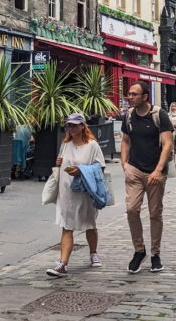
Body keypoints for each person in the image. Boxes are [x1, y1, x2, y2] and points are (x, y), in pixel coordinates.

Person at [120, 80, 173, 274]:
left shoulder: (159, 115)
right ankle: (139, 250)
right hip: (134, 169)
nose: (130, 97)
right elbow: (125, 141)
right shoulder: (129, 116)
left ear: (145, 96)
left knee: (154, 213)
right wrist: (124, 164)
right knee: (132, 209)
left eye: (134, 94)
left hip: (155, 171)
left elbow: (167, 144)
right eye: (129, 94)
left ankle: (155, 254)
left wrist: (158, 170)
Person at [46, 113, 107, 278]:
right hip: (67, 191)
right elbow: (60, 163)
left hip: (85, 191)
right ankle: (63, 264)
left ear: (82, 126)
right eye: (69, 125)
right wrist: (58, 164)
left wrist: (82, 170)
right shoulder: (65, 144)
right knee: (67, 226)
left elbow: (100, 167)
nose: (71, 128)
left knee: (90, 224)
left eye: (74, 125)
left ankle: (93, 252)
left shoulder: (92, 145)